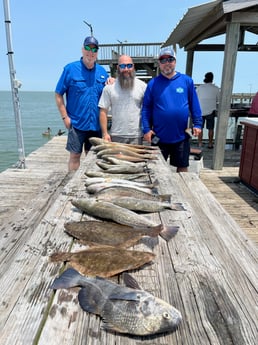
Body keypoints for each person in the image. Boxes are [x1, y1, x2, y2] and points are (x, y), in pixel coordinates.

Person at [55, 36, 111, 171]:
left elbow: (108, 94)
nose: (90, 52)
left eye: (94, 49)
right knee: (75, 156)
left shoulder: (103, 72)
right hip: (77, 123)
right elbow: (58, 94)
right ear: (82, 49)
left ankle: (89, 182)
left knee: (93, 156)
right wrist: (65, 117)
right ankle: (72, 185)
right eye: (87, 48)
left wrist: (112, 82)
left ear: (97, 52)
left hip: (96, 124)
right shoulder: (70, 69)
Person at [141, 47, 202, 172]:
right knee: (155, 170)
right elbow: (146, 108)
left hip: (181, 136)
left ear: (175, 61)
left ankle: (182, 191)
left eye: (170, 59)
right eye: (163, 60)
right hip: (158, 137)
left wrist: (198, 123)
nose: (166, 63)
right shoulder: (153, 83)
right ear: (159, 63)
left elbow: (194, 104)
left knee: (183, 168)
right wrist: (146, 129)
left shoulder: (187, 81)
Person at [98, 54, 147, 144]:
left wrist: (148, 130)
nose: (126, 69)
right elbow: (103, 111)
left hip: (137, 136)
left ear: (133, 67)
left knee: (136, 159)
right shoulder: (109, 88)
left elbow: (148, 110)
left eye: (129, 65)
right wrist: (105, 133)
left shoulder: (143, 86)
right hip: (116, 136)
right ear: (117, 68)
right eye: (122, 66)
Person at [196, 72, 220, 149]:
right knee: (211, 128)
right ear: (212, 79)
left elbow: (195, 99)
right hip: (211, 111)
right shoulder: (216, 88)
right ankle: (210, 144)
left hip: (200, 110)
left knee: (200, 128)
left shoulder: (199, 88)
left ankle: (200, 143)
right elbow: (219, 100)